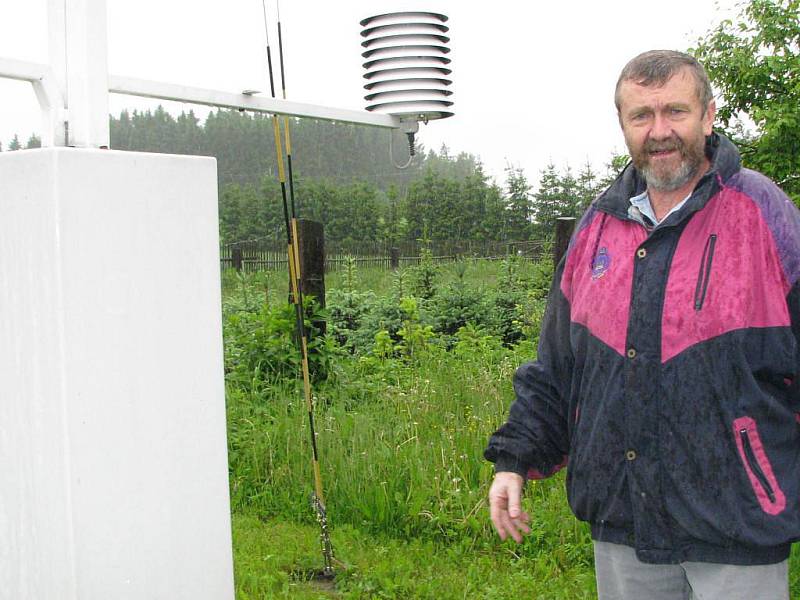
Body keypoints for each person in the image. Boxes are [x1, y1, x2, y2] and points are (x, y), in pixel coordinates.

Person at [485, 49, 800, 600]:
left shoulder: (764, 213)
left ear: (707, 115)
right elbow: (557, 364)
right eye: (641, 116)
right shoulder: (597, 228)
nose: (660, 131)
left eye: (675, 111)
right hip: (622, 520)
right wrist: (515, 459)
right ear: (623, 126)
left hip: (739, 524)